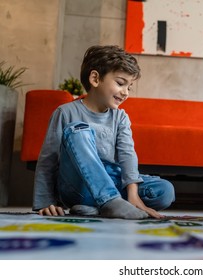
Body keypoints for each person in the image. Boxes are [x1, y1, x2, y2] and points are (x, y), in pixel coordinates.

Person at [33, 45, 175, 219]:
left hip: (110, 182)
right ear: (95, 78)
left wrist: (133, 194)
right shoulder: (65, 112)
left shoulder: (120, 117)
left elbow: (127, 154)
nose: (125, 93)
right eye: (121, 83)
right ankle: (109, 202)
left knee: (165, 190)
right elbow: (48, 161)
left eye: (129, 87)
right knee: (78, 131)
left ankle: (97, 208)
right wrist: (46, 202)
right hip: (77, 186)